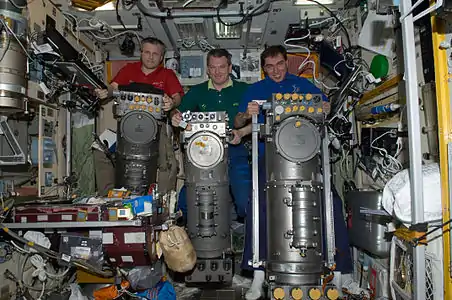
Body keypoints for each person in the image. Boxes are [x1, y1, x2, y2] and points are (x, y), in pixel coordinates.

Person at [234, 45, 330, 300]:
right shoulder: (255, 90)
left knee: (330, 204)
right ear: (263, 68)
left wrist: (326, 106)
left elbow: (324, 105)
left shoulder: (303, 85)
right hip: (270, 159)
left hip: (306, 159)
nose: (275, 70)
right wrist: (247, 113)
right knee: (258, 208)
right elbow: (238, 121)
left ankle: (336, 272)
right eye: (269, 66)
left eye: (279, 64)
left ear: (286, 63)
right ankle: (258, 275)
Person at [94, 37, 184, 195]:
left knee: (169, 164)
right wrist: (104, 92)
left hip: (156, 128)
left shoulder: (167, 75)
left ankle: (162, 202)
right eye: (147, 52)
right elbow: (112, 88)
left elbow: (177, 97)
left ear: (161, 57)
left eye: (155, 54)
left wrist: (172, 102)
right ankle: (107, 197)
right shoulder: (129, 70)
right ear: (141, 53)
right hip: (125, 127)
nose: (151, 57)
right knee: (100, 148)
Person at [171, 48, 251, 220]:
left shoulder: (245, 89)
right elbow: (177, 112)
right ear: (207, 69)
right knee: (184, 204)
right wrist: (175, 118)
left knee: (246, 202)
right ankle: (183, 235)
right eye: (213, 67)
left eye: (222, 67)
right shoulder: (197, 91)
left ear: (230, 68)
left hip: (235, 149)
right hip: (203, 152)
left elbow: (258, 118)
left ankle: (244, 235)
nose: (217, 72)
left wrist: (241, 132)